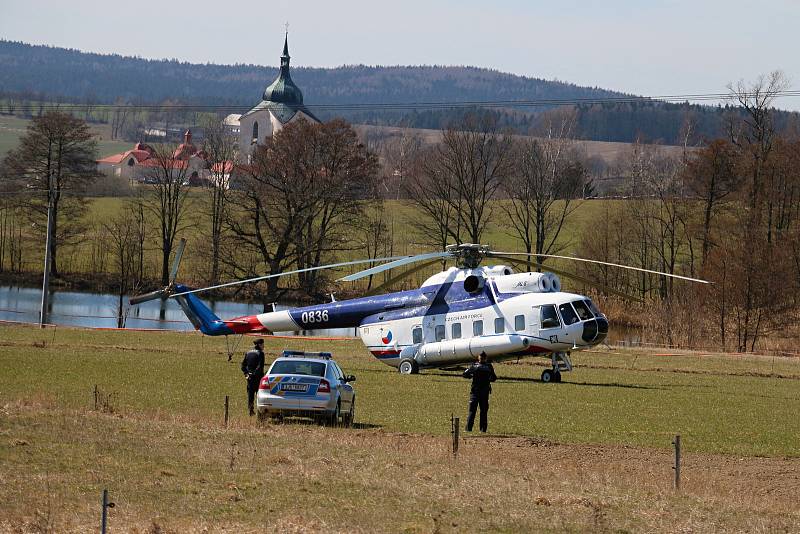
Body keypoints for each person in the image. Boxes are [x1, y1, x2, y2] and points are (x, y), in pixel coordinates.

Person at [463, 351, 497, 432]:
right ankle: (483, 430)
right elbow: (494, 378)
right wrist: (487, 379)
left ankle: (468, 429)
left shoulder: (474, 366)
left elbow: (464, 374)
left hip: (475, 392)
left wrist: (471, 376)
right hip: (484, 392)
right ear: (486, 358)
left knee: (472, 411)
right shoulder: (489, 366)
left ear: (479, 357)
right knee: (483, 412)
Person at [241, 338, 265, 416]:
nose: (263, 346)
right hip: (258, 378)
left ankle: (250, 411)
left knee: (250, 395)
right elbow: (260, 367)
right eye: (263, 344)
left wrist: (247, 374)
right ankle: (260, 412)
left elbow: (242, 366)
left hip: (249, 379)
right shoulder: (261, 353)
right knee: (259, 395)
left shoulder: (248, 353)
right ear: (259, 345)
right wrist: (254, 374)